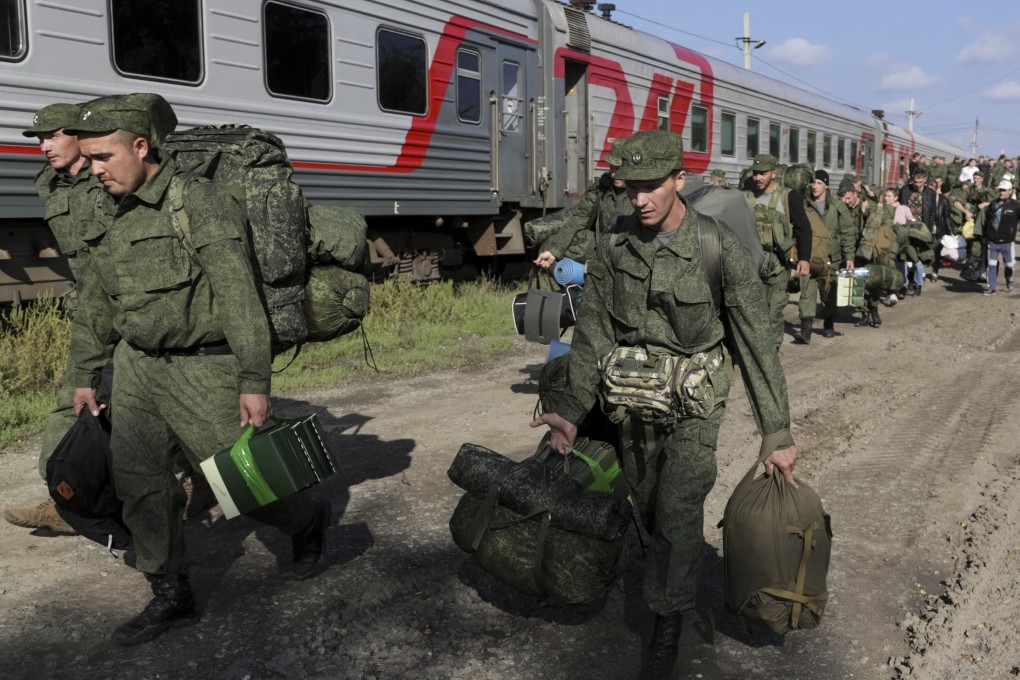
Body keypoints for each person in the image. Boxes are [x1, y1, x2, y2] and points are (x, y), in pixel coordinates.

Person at [530, 130, 800, 680]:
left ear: (680, 179)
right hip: (632, 399)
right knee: (648, 503)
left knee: (678, 509)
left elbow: (754, 344)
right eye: (632, 189)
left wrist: (777, 434)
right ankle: (665, 568)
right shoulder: (613, 246)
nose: (641, 200)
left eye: (653, 186)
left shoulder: (716, 247)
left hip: (694, 404)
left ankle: (666, 622)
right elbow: (594, 334)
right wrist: (570, 409)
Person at [64, 93, 331, 646]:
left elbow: (238, 297)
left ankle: (306, 520)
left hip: (204, 369)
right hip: (135, 369)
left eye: (104, 157)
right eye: (87, 159)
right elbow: (94, 300)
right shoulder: (106, 209)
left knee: (248, 480)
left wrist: (255, 380)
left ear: (141, 147)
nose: (94, 170)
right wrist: (85, 373)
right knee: (141, 486)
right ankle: (171, 595)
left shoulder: (197, 201)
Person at [3, 103, 94, 535]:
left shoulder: (111, 177)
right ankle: (64, 500)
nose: (44, 146)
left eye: (53, 136)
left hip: (134, 308)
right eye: (38, 139)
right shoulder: (52, 185)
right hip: (95, 310)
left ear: (80, 134)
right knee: (70, 404)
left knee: (164, 408)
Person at [532, 137, 633, 269]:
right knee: (550, 248)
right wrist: (554, 251)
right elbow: (580, 217)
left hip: (629, 255)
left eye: (619, 168)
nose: (613, 174)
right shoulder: (603, 185)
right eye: (612, 167)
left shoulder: (646, 193)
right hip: (602, 247)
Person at [745, 154, 812, 347]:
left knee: (774, 311)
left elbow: (803, 229)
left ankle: (771, 354)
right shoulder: (746, 195)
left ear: (773, 173)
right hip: (751, 263)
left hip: (778, 265)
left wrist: (804, 258)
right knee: (753, 313)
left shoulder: (788, 196)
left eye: (762, 174)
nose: (757, 178)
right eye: (755, 173)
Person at [794, 170, 856, 342]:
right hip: (809, 256)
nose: (815, 186)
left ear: (826, 185)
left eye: (819, 183)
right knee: (807, 291)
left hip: (831, 258)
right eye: (813, 182)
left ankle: (829, 324)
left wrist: (849, 257)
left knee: (828, 294)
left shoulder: (837, 206)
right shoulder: (804, 205)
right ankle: (805, 330)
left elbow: (847, 232)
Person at [982, 180, 1019, 295]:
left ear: (1010, 191)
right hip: (993, 241)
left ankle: (1009, 280)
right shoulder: (993, 204)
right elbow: (987, 220)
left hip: (1007, 242)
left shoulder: (1016, 205)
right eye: (1000, 190)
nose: (1001, 192)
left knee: (1009, 265)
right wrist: (986, 236)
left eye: (1004, 190)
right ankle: (992, 288)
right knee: (992, 265)